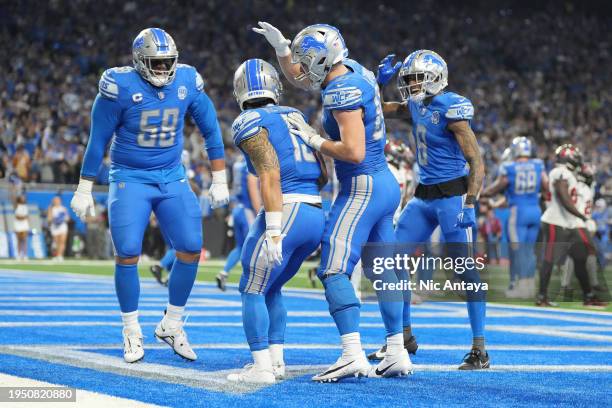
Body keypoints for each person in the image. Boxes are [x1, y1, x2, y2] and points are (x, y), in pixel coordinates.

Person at [254, 22, 411, 381]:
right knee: (385, 273)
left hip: (362, 185)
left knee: (334, 268)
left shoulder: (341, 89)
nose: (303, 69)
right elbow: (300, 77)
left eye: (308, 60)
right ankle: (397, 351)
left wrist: (315, 140)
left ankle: (352, 354)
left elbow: (353, 151)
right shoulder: (358, 71)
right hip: (384, 183)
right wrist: (282, 50)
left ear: (325, 58)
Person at [70, 28, 230, 363]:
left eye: (167, 62)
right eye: (155, 63)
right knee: (127, 251)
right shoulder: (119, 88)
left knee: (190, 247)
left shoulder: (186, 80)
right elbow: (97, 140)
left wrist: (219, 178)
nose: (162, 70)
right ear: (140, 61)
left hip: (171, 175)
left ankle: (171, 324)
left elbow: (211, 128)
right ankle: (131, 329)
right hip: (130, 177)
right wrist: (84, 186)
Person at [375, 50, 488, 369]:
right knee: (392, 261)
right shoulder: (415, 104)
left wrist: (470, 202)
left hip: (453, 197)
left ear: (436, 77)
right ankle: (403, 338)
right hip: (423, 197)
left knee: (466, 272)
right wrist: (377, 85)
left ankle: (480, 348)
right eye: (407, 80)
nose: (410, 86)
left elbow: (477, 161)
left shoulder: (452, 107)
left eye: (415, 79)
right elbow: (380, 110)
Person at [226, 59, 326, 383]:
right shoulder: (294, 114)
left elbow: (269, 174)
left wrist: (273, 230)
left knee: (251, 286)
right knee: (273, 286)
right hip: (314, 210)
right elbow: (323, 170)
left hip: (287, 209)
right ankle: (276, 362)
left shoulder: (248, 121)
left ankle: (262, 368)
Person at [538, 145, 603, 306]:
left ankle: (588, 296)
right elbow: (563, 196)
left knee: (580, 258)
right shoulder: (561, 173)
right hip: (555, 221)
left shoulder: (568, 174)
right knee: (549, 259)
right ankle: (542, 297)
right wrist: (582, 216)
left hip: (568, 223)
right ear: (570, 158)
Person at [482, 137, 548, 298]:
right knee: (529, 250)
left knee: (518, 250)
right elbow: (546, 186)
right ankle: (529, 286)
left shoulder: (509, 167)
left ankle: (521, 288)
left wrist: (482, 193)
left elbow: (497, 186)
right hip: (535, 210)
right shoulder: (538, 164)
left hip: (518, 211)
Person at [216, 158, 260, 291]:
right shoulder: (251, 163)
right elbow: (252, 187)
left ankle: (224, 272)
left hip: (237, 209)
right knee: (255, 245)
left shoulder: (238, 163)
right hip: (247, 210)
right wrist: (260, 212)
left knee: (241, 247)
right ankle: (252, 279)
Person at [47, 196, 69, 261]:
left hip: (62, 226)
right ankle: (56, 255)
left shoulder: (63, 208)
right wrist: (55, 220)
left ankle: (60, 255)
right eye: (55, 200)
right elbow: (49, 219)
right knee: (56, 242)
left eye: (58, 200)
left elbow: (67, 218)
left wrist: (62, 219)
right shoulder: (51, 208)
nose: (57, 201)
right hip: (55, 226)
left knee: (62, 241)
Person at [13, 196, 30, 260]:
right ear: (19, 199)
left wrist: (23, 218)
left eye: (24, 198)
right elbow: (17, 216)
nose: (23, 199)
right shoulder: (16, 206)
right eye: (22, 198)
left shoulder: (25, 207)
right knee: (19, 240)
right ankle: (19, 254)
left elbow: (27, 216)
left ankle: (25, 255)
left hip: (24, 224)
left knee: (24, 240)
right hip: (17, 224)